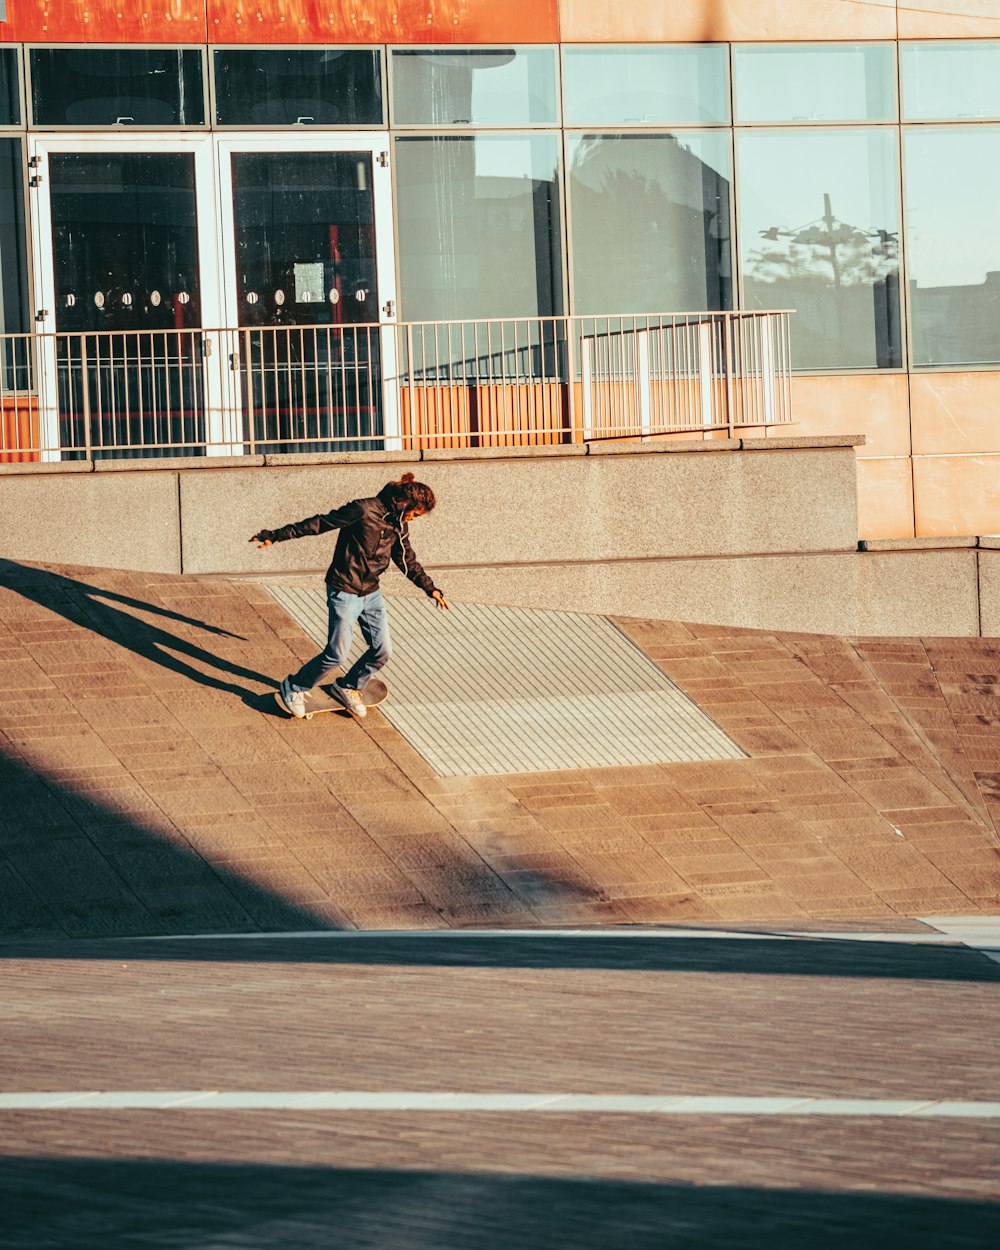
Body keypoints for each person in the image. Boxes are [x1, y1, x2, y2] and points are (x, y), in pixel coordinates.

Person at [249, 472, 449, 719]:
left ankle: (349, 686)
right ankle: (295, 686)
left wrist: (430, 588)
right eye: (416, 514)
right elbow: (320, 523)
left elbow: (406, 558)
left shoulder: (398, 523)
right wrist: (276, 535)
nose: (415, 519)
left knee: (382, 650)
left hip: (371, 593)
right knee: (336, 654)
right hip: (344, 589)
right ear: (406, 503)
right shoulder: (363, 510)